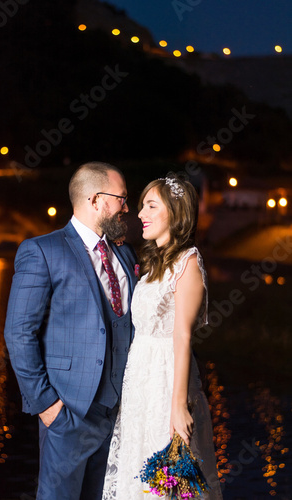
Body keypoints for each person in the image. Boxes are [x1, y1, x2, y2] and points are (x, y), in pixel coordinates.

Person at [4, 162, 138, 500]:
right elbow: (19, 333)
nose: (127, 206)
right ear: (94, 200)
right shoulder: (42, 251)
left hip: (120, 416)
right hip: (69, 413)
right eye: (121, 198)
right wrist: (47, 405)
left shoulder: (123, 252)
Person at [103, 174, 223, 500]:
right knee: (137, 468)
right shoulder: (153, 264)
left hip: (166, 380)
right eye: (141, 205)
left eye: (151, 205)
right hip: (139, 380)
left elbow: (182, 337)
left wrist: (178, 405)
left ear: (175, 213)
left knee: (168, 481)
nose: (140, 213)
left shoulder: (188, 262)